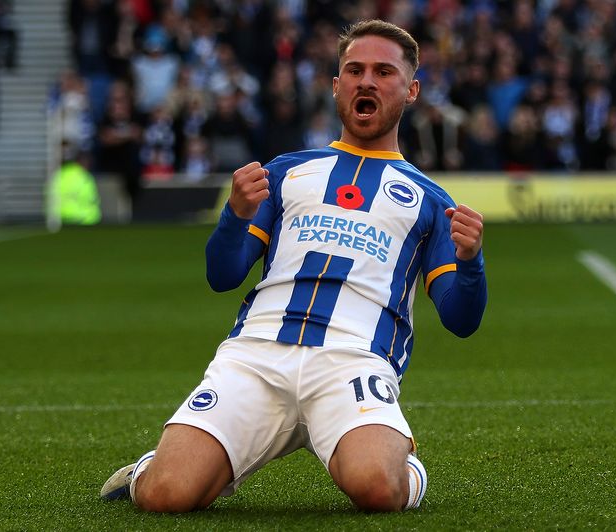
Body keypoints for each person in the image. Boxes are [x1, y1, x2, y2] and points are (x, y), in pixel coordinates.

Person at [99, 19, 487, 513]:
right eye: (355, 70)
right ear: (335, 85)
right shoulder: (284, 172)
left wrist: (471, 263)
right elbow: (222, 275)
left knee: (378, 490)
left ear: (411, 90)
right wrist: (234, 216)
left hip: (354, 361)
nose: (367, 81)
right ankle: (151, 467)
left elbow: (461, 319)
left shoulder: (432, 202)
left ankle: (401, 463)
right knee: (165, 495)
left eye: (384, 72)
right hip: (256, 355)